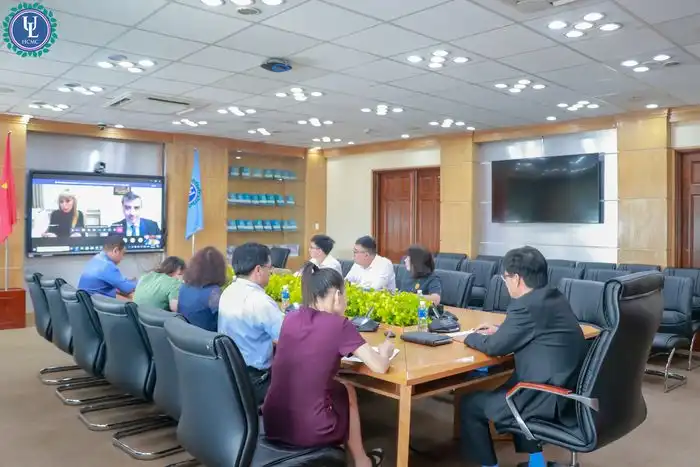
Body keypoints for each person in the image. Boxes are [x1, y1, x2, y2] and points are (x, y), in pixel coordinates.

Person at [455, 246, 587, 467]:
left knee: (470, 404)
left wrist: (467, 337)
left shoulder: (525, 306)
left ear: (516, 279)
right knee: (513, 385)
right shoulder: (554, 297)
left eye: (505, 278)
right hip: (568, 393)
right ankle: (536, 462)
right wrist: (501, 329)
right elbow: (535, 329)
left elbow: (494, 347)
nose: (505, 283)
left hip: (543, 397)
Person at [263, 262, 391, 467]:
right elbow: (379, 367)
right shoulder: (340, 325)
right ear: (338, 296)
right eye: (346, 296)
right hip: (310, 430)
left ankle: (351, 459)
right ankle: (360, 461)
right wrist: (384, 352)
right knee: (346, 391)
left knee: (340, 389)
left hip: (273, 422)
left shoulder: (291, 318)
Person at [218, 242, 284, 406]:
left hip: (230, 375)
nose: (271, 272)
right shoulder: (260, 301)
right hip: (257, 381)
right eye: (270, 268)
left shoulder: (228, 291)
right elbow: (287, 336)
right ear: (258, 270)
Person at [178, 247, 226, 332]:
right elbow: (224, 320)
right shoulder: (214, 292)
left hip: (184, 336)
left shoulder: (183, 288)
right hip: (207, 338)